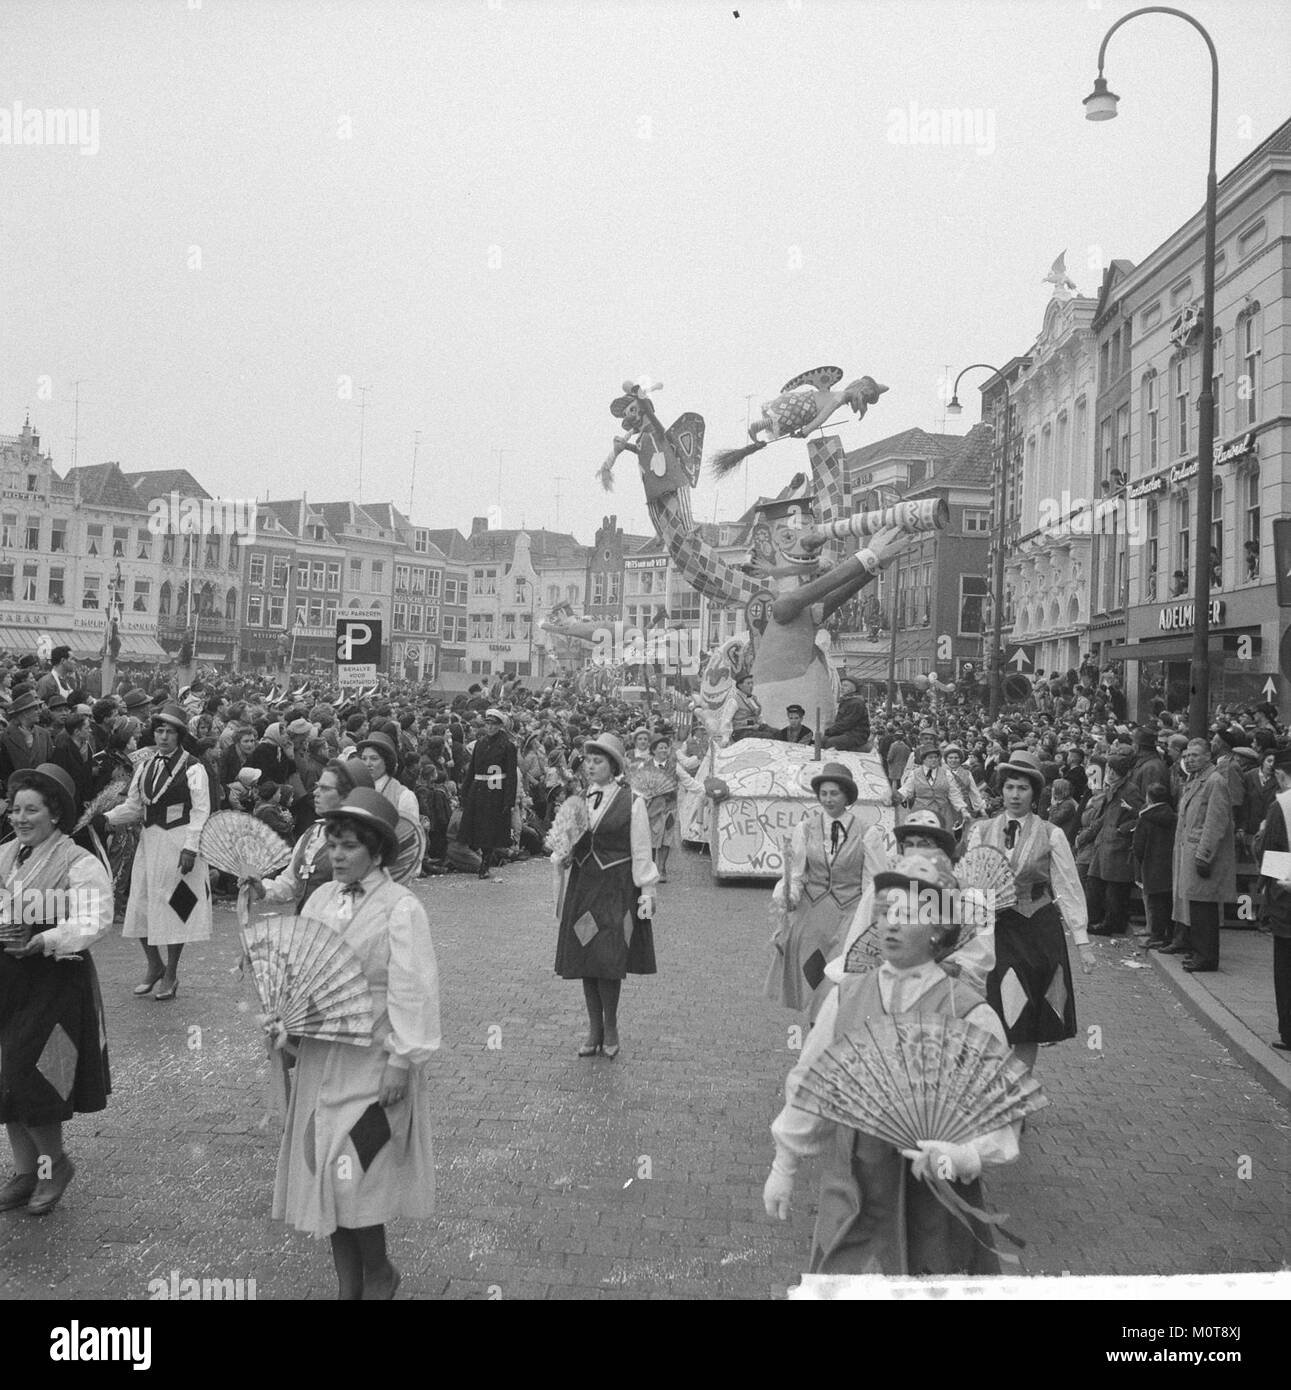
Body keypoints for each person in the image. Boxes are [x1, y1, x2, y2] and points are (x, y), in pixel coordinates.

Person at [763, 852, 1020, 1274]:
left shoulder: (969, 1014)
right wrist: (784, 1164)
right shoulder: (846, 998)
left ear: (939, 928)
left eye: (910, 913)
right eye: (886, 911)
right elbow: (812, 1083)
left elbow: (1001, 1115)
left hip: (936, 1201)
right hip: (854, 1191)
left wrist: (964, 1155)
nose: (892, 924)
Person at [271, 788, 440, 1299]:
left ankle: (380, 1271)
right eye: (332, 845)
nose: (337, 856)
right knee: (322, 1172)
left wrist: (401, 1061)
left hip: (373, 1063)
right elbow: (304, 968)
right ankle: (350, 1286)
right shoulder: (321, 898)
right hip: (323, 1060)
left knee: (352, 1173)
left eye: (349, 847)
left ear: (377, 851)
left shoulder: (400, 908)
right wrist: (287, 1024)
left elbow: (414, 988)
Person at [0, 764, 113, 1215]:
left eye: (31, 810)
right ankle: (26, 1173)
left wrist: (45, 939)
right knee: (6, 1077)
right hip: (9, 981)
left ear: (54, 814)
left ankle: (53, 1168)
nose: (20, 818)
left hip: (55, 982)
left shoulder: (78, 862)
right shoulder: (5, 855)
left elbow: (95, 920)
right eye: (15, 809)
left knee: (36, 1077)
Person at [965, 751, 1095, 1071]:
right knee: (995, 1011)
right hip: (995, 931)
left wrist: (1082, 941)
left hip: (1036, 929)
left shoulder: (1051, 833)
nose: (1015, 795)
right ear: (1001, 790)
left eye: (1022, 788)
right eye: (1009, 787)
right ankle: (993, 1086)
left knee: (1026, 1019)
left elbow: (1067, 886)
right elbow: (969, 885)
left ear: (1034, 794)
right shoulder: (982, 831)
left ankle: (1020, 1087)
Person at [553, 734, 658, 1060]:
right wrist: (563, 854)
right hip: (584, 888)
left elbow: (642, 849)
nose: (590, 766)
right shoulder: (578, 801)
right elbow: (569, 844)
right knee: (587, 957)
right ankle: (593, 1029)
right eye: (588, 761)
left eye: (598, 761)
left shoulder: (633, 801)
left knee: (608, 958)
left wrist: (647, 891)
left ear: (613, 766)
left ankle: (610, 1026)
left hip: (615, 888)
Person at [102, 702, 213, 1001]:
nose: (163, 737)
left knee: (176, 907)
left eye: (170, 732)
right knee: (140, 903)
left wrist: (191, 847)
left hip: (179, 843)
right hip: (150, 843)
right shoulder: (145, 766)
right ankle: (154, 965)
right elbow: (134, 807)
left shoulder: (194, 768)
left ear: (180, 735)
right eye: (159, 731)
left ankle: (171, 973)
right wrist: (106, 818)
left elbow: (201, 811)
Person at [766, 763, 868, 1018]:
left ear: (846, 796)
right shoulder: (806, 828)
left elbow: (872, 883)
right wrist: (789, 896)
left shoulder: (867, 832)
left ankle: (829, 1022)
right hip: (813, 911)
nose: (828, 799)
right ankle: (814, 1024)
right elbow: (797, 874)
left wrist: (870, 918)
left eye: (834, 793)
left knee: (838, 974)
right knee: (809, 969)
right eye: (824, 794)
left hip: (849, 913)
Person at [1162, 738, 1235, 973]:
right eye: (1186, 756)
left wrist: (1204, 854)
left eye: (1195, 755)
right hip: (1189, 851)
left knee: (1204, 908)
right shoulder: (1196, 780)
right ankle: (1198, 952)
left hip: (1200, 854)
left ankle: (1206, 956)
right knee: (1195, 905)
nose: (1189, 760)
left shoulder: (1214, 781)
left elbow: (1215, 822)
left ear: (1207, 756)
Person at [1253, 745, 1291, 1051]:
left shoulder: (1282, 806)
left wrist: (1269, 888)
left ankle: (1289, 1031)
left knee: (1286, 968)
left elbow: (1271, 851)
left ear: (1280, 774)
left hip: (1287, 899)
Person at [1085, 743, 1142, 938]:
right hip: (1105, 842)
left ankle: (1111, 924)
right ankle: (1097, 919)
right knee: (1097, 883)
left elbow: (1139, 814)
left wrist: (1122, 829)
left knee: (1115, 890)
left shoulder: (1130, 790)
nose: (1108, 773)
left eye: (1112, 770)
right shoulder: (1113, 788)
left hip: (1118, 845)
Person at [458, 709, 518, 880]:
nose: (490, 727)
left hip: (496, 790)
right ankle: (481, 858)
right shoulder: (480, 744)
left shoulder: (507, 746)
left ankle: (485, 862)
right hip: (478, 790)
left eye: (494, 724)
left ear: (500, 726)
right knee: (476, 827)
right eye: (488, 724)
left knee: (490, 829)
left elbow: (511, 775)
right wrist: (465, 791)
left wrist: (509, 800)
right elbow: (472, 770)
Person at [1133, 782, 1178, 951]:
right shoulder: (1174, 817)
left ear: (1149, 798)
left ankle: (1156, 936)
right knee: (1168, 902)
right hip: (1170, 864)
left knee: (1155, 903)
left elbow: (1138, 846)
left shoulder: (1145, 818)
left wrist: (1141, 861)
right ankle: (1169, 935)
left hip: (1151, 864)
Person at [897, 744, 968, 831]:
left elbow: (954, 794)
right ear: (923, 759)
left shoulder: (946, 773)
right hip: (921, 813)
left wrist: (963, 810)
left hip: (942, 813)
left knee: (942, 836)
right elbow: (906, 790)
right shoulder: (915, 774)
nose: (934, 760)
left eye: (936, 757)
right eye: (930, 757)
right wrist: (895, 798)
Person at [821, 677, 870, 752]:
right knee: (821, 740)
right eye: (842, 685)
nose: (842, 688)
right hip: (845, 732)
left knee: (830, 742)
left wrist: (828, 731)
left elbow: (846, 723)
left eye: (845, 686)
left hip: (857, 735)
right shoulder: (846, 700)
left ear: (854, 689)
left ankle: (857, 750)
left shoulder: (856, 703)